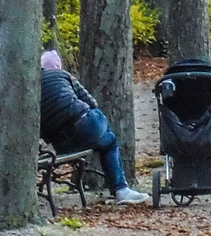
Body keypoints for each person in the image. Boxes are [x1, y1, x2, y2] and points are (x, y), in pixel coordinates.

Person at [40, 50, 150, 204]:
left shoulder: (31, 88)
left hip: (62, 145)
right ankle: (121, 189)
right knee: (110, 141)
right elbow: (91, 102)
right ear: (58, 66)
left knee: (100, 130)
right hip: (85, 127)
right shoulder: (63, 75)